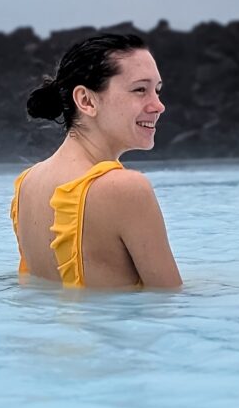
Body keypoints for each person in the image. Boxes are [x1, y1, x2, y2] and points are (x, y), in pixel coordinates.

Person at [10, 33, 182, 289]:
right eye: (140, 90)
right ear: (86, 101)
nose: (158, 105)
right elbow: (171, 300)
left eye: (157, 91)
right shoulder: (126, 188)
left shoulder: (27, 183)